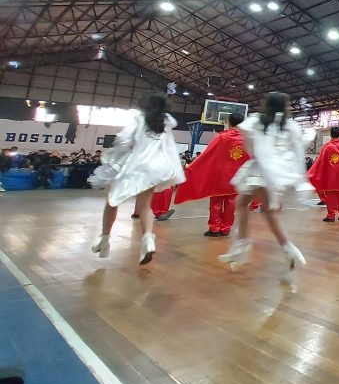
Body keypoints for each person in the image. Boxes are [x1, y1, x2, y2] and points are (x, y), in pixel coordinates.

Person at [218, 92, 314, 280]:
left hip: (260, 170)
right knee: (242, 203)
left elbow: (250, 147)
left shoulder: (257, 122)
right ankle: (243, 245)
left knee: (269, 213)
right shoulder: (289, 126)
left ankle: (288, 249)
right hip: (277, 171)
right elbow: (297, 149)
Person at [89, 92, 185, 265]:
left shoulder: (139, 119)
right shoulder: (165, 122)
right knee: (146, 205)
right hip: (157, 167)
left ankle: (104, 239)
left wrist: (114, 159)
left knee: (112, 202)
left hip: (137, 165)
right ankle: (148, 238)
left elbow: (124, 140)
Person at [174, 112, 251, 236]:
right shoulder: (247, 139)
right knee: (231, 204)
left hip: (220, 177)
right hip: (238, 177)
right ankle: (226, 228)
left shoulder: (221, 137)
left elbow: (207, 155)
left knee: (216, 202)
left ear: (229, 122)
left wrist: (193, 167)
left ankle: (214, 228)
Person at [307, 126, 339, 222]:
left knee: (330, 195)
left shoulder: (326, 147)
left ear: (330, 134)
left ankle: (331, 215)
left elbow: (320, 161)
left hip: (330, 176)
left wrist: (313, 172)